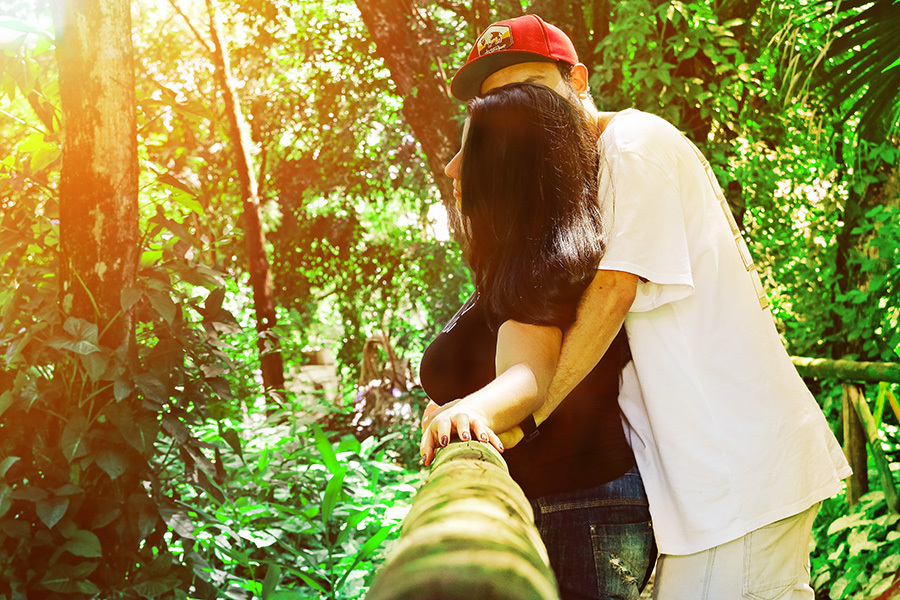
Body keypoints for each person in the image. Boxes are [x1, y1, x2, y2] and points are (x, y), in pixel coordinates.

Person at [422, 13, 852, 600]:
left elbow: (612, 293)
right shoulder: (578, 183)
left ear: (578, 80)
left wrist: (521, 419)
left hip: (735, 470)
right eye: (502, 99)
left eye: (529, 87)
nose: (519, 107)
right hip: (694, 483)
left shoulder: (634, 144)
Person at [418, 82, 655, 599]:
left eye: (469, 150)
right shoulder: (518, 261)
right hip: (568, 504)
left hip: (579, 506)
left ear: (507, 166)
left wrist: (468, 413)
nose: (453, 168)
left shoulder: (539, 264)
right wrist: (457, 400)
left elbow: (528, 374)